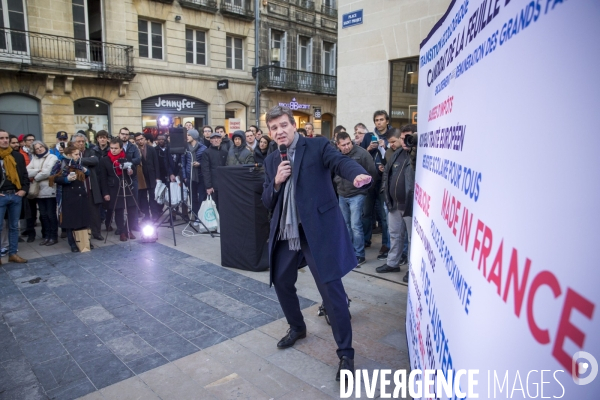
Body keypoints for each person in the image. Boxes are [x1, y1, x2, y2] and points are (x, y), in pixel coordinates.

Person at [262, 106, 372, 381]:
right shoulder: (272, 160)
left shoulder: (317, 146)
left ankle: (346, 353)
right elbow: (266, 200)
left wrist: (355, 174)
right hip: (288, 232)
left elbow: (340, 162)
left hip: (317, 232)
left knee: (331, 292)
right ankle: (297, 327)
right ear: (270, 132)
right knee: (281, 280)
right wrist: (276, 182)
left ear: (293, 125)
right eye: (274, 128)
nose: (279, 131)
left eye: (283, 125)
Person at [334, 131, 377, 267]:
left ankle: (359, 255)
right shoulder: (335, 155)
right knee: (345, 225)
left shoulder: (362, 153)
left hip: (357, 194)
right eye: (343, 145)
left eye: (348, 143)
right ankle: (349, 252)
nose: (347, 147)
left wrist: (365, 190)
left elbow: (372, 172)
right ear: (338, 145)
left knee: (355, 225)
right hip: (342, 193)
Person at [378, 128, 415, 275]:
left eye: (409, 138)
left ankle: (412, 271)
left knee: (413, 240)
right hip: (394, 205)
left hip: (410, 207)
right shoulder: (396, 154)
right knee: (394, 235)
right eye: (402, 138)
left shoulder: (418, 156)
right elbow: (387, 175)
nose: (405, 141)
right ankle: (392, 263)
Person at [360, 110, 393, 260]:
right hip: (369, 179)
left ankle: (386, 243)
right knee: (366, 213)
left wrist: (383, 147)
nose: (379, 122)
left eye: (381, 120)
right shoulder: (368, 136)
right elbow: (361, 155)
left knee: (384, 216)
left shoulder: (391, 136)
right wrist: (368, 149)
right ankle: (366, 240)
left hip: (384, 180)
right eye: (376, 120)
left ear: (387, 121)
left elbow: (393, 155)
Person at [50, 144, 90, 253]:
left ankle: (84, 240)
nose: (78, 156)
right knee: (70, 221)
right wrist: (66, 179)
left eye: (79, 154)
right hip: (68, 195)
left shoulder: (79, 163)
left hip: (81, 194)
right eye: (76, 154)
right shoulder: (60, 163)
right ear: (69, 155)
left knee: (83, 218)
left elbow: (86, 175)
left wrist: (86, 171)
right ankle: (72, 243)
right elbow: (53, 178)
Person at [99, 139, 138, 242]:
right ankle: (121, 232)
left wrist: (131, 171)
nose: (113, 150)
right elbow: (103, 178)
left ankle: (128, 229)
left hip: (127, 185)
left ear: (121, 148)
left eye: (116, 148)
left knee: (132, 208)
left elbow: (134, 171)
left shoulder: (127, 157)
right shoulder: (105, 160)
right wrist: (106, 193)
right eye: (111, 148)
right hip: (114, 187)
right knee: (119, 210)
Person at [0, 129, 29, 264]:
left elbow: (24, 175)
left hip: (15, 195)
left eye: (6, 138)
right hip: (1, 196)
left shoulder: (17, 156)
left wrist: (23, 190)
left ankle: (13, 253)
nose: (5, 140)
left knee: (13, 226)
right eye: (1, 138)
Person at [71, 132, 104, 241]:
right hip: (76, 189)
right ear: (73, 143)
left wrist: (79, 161)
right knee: (80, 213)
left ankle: (96, 232)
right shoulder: (70, 153)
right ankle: (82, 235)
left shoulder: (90, 151)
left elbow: (94, 160)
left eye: (83, 141)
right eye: (78, 141)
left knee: (94, 212)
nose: (81, 143)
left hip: (90, 187)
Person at [26, 141, 59, 246]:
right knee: (43, 215)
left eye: (41, 147)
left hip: (50, 190)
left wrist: (35, 176)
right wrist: (39, 170)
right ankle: (47, 236)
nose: (39, 149)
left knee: (51, 214)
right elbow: (26, 172)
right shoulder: (34, 158)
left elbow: (48, 172)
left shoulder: (52, 157)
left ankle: (54, 236)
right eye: (37, 148)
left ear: (44, 147)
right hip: (38, 191)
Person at [134, 132, 161, 223]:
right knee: (143, 198)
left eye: (141, 139)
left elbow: (156, 163)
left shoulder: (151, 149)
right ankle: (146, 215)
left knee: (153, 197)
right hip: (141, 177)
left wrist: (157, 177)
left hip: (152, 175)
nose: (140, 141)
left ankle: (155, 215)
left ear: (145, 139)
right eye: (138, 140)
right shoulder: (135, 150)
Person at [181, 129, 207, 219]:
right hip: (190, 176)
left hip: (200, 176)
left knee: (201, 197)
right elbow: (183, 163)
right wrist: (184, 177)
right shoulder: (185, 148)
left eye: (188, 135)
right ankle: (196, 216)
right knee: (193, 197)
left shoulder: (203, 148)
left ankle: (201, 217)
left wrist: (199, 164)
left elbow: (206, 163)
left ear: (194, 136)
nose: (186, 137)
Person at [201, 132, 227, 210]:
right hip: (213, 185)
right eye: (213, 138)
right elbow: (205, 170)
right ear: (210, 141)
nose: (216, 140)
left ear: (221, 140)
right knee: (214, 207)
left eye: (218, 138)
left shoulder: (225, 152)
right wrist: (208, 186)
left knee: (223, 207)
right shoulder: (207, 152)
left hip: (223, 184)